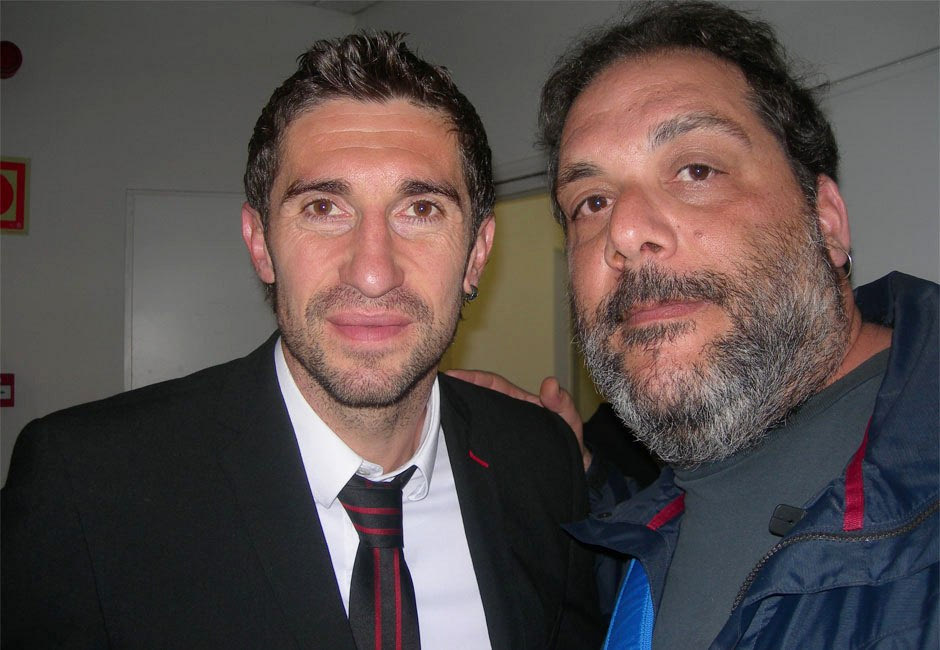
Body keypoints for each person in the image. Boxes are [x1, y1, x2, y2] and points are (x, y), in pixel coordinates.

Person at [1, 32, 601, 649]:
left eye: (421, 209)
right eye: (322, 208)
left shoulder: (543, 462)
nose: (373, 272)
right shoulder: (85, 489)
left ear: (476, 253)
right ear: (260, 243)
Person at [463, 2, 938, 647]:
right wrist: (577, 481)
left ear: (825, 220)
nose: (624, 232)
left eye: (696, 171)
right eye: (592, 202)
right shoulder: (646, 530)